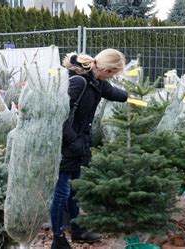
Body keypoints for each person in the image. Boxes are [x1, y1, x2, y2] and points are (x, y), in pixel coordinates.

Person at [50, 49, 129, 249]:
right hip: (66, 144)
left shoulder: (97, 82)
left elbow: (115, 94)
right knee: (62, 191)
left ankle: (77, 231)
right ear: (105, 68)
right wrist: (72, 141)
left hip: (79, 145)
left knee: (75, 190)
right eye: (112, 73)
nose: (111, 78)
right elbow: (59, 115)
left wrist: (137, 98)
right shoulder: (79, 82)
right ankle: (57, 238)